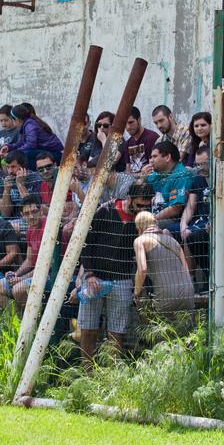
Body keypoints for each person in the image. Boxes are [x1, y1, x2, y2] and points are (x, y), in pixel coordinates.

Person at [78, 182, 154, 363]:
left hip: (122, 279)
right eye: (139, 205)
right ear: (129, 199)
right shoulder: (105, 211)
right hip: (94, 277)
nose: (143, 209)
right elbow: (85, 243)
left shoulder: (143, 221)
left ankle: (111, 377)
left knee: (116, 332)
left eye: (147, 206)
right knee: (88, 330)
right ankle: (87, 373)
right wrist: (88, 273)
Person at [0, 195, 46, 313]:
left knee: (18, 289)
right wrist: (16, 274)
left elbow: (46, 267)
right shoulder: (30, 229)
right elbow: (30, 260)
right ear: (22, 216)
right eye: (27, 213)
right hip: (34, 273)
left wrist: (21, 278)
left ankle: (33, 322)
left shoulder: (49, 226)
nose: (31, 216)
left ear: (41, 211)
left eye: (34, 211)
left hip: (49, 275)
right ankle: (17, 322)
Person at [133, 211, 194, 315]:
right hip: (188, 292)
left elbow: (142, 269)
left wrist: (136, 292)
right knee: (186, 330)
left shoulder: (140, 240)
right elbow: (186, 272)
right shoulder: (174, 242)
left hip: (165, 295)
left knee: (163, 328)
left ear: (139, 228)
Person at [142, 141, 193, 231]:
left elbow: (175, 209)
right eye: (151, 157)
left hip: (174, 221)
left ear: (167, 157)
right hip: (155, 215)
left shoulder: (181, 175)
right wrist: (143, 178)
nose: (151, 160)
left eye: (155, 156)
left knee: (144, 227)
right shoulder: (156, 173)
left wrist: (152, 219)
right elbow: (138, 194)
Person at [180, 146, 211, 288]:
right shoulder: (198, 179)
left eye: (203, 164)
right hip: (201, 221)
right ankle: (192, 280)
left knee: (195, 235)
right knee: (187, 233)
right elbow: (190, 206)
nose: (200, 168)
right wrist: (183, 224)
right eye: (197, 164)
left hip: (218, 221)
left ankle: (210, 277)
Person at [0, 104, 63, 168]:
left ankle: (35, 175)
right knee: (24, 153)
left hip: (55, 154)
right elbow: (21, 143)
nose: (13, 123)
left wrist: (14, 153)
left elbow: (30, 145)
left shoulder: (30, 125)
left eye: (13, 120)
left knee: (27, 154)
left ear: (17, 120)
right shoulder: (25, 125)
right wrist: (9, 147)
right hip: (47, 152)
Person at [0, 150, 38, 222]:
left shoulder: (35, 179)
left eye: (13, 167)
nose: (10, 171)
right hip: (13, 220)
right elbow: (5, 214)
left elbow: (32, 208)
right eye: (8, 167)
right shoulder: (6, 181)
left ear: (23, 167)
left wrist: (20, 184)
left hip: (31, 218)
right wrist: (6, 190)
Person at [123, 106, 159, 173]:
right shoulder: (127, 143)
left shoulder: (151, 138)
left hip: (149, 180)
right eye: (125, 123)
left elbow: (155, 166)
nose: (128, 127)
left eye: (131, 122)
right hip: (133, 181)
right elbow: (128, 168)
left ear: (139, 120)